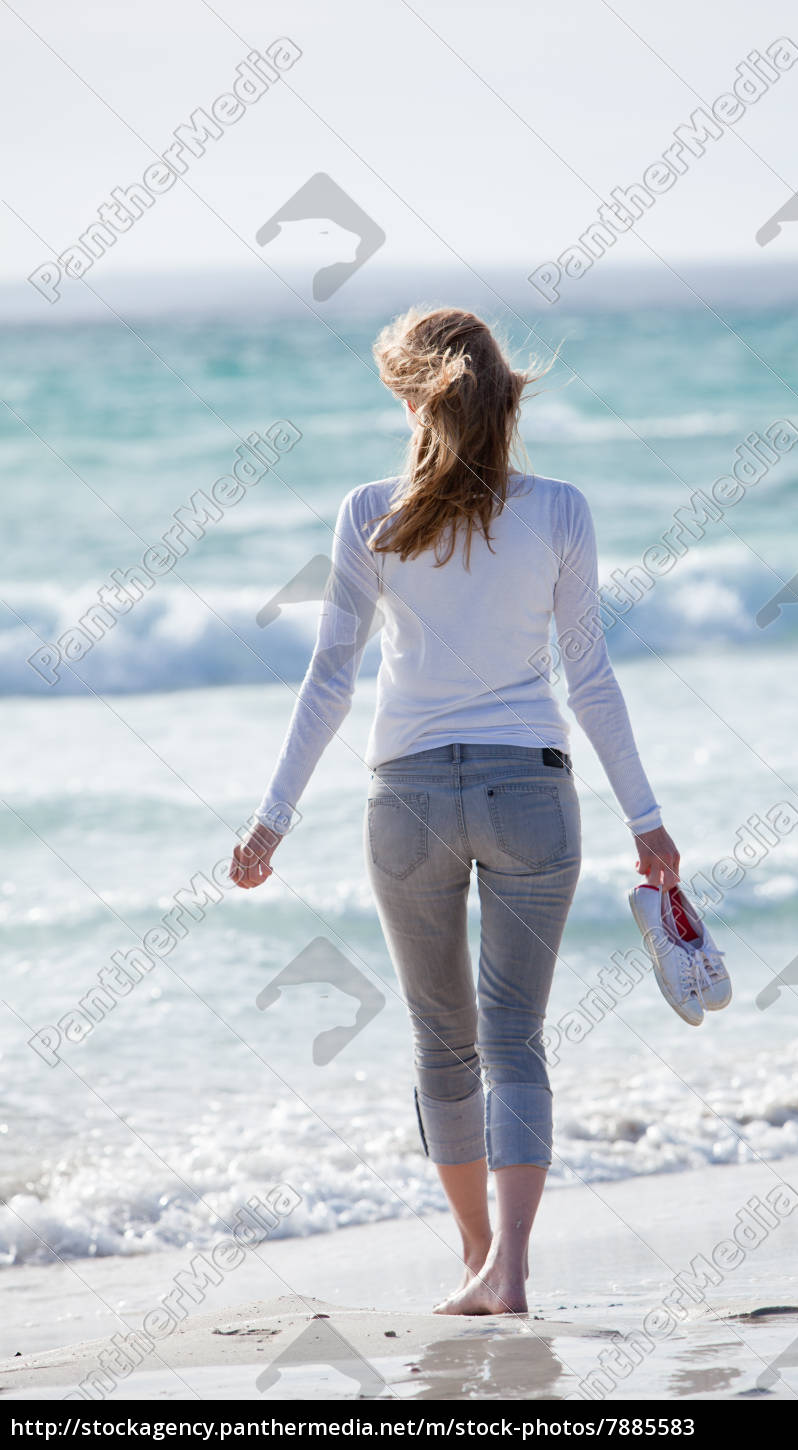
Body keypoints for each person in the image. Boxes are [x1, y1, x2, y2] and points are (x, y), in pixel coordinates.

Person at [230, 307, 679, 1315]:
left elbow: (329, 683)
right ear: (506, 393)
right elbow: (592, 677)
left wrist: (272, 820)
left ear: (406, 396)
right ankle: (510, 1267)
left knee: (443, 1038)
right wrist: (648, 820)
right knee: (515, 1036)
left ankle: (475, 1257)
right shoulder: (561, 508)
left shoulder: (366, 513)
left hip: (409, 802)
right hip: (532, 792)